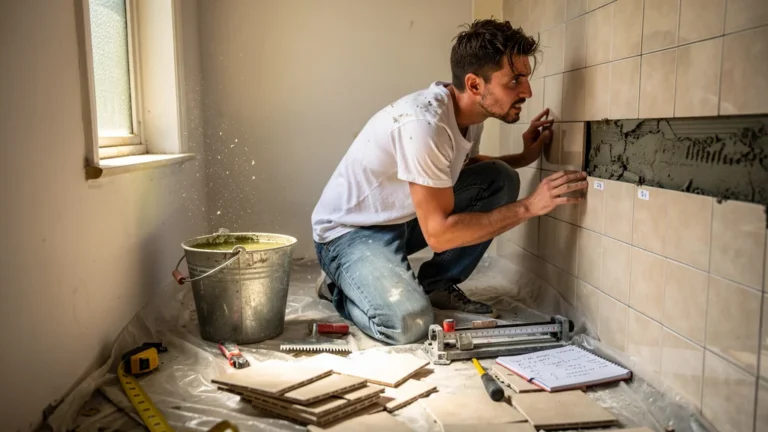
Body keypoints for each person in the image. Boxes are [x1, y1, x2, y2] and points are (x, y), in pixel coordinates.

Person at [310, 18, 588, 345]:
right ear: (474, 85)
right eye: (514, 80)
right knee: (408, 323)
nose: (527, 91)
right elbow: (440, 235)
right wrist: (528, 207)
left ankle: (437, 284)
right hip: (350, 233)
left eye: (526, 78)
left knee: (499, 178)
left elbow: (458, 169)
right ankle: (338, 286)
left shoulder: (470, 115)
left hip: (401, 218)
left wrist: (523, 158)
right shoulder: (424, 125)